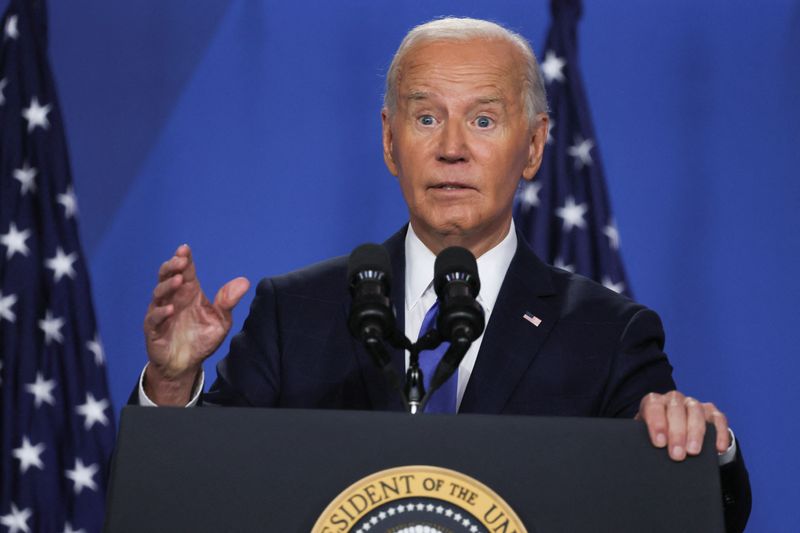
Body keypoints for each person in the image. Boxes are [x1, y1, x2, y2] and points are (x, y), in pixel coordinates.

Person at [136, 17, 750, 531]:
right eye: (426, 117)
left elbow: (692, 510)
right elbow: (189, 499)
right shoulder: (293, 313)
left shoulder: (607, 333)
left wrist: (701, 447)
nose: (451, 147)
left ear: (534, 146)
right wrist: (171, 384)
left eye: (483, 121)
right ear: (388, 141)